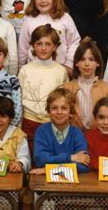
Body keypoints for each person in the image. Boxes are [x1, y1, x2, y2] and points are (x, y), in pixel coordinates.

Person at [18, 25, 69, 153]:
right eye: (39, 44)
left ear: (55, 46)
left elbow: (65, 101)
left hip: (53, 123)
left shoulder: (61, 71)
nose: (43, 48)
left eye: (48, 44)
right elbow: (18, 100)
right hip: (29, 122)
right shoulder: (25, 70)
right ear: (33, 46)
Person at [19, 0, 80, 74]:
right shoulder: (29, 19)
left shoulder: (65, 18)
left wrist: (69, 64)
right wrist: (21, 67)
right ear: (33, 0)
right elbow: (23, 46)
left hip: (60, 69)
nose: (43, 1)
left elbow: (74, 42)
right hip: (34, 69)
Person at [30, 88, 90, 174]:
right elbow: (40, 160)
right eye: (54, 108)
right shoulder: (41, 131)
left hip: (72, 184)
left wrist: (47, 170)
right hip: (45, 183)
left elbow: (83, 165)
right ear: (48, 111)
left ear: (71, 112)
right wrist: (70, 158)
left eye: (64, 108)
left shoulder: (77, 133)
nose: (59, 112)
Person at [62, 37, 108, 130]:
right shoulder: (67, 88)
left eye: (91, 59)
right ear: (76, 63)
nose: (87, 64)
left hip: (98, 136)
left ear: (98, 63)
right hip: (74, 136)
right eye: (82, 59)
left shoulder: (106, 89)